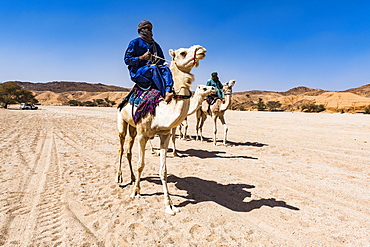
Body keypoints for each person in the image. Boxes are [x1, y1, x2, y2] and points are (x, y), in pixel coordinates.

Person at [124, 20, 174, 103]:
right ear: (141, 30)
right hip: (138, 72)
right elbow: (127, 60)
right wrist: (141, 58)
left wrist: (165, 64)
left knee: (165, 69)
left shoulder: (155, 45)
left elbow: (161, 59)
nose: (149, 30)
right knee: (153, 69)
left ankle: (168, 91)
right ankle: (163, 94)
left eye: (150, 29)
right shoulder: (134, 43)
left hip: (154, 69)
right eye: (146, 28)